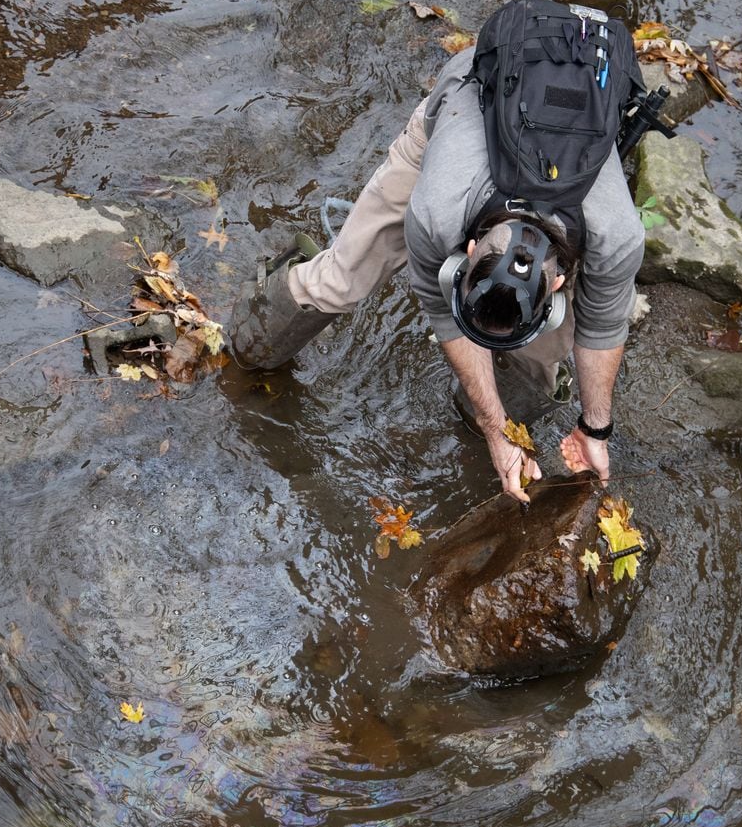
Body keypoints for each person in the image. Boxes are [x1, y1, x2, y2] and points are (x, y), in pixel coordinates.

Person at [228, 45, 645, 503]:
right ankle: (249, 346)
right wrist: (494, 429)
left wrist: (595, 428)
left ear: (559, 283)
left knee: (541, 354)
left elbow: (603, 329)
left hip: (573, 154)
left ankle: (486, 415)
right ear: (465, 254)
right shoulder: (434, 210)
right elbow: (446, 318)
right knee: (341, 281)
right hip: (457, 123)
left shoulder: (615, 238)